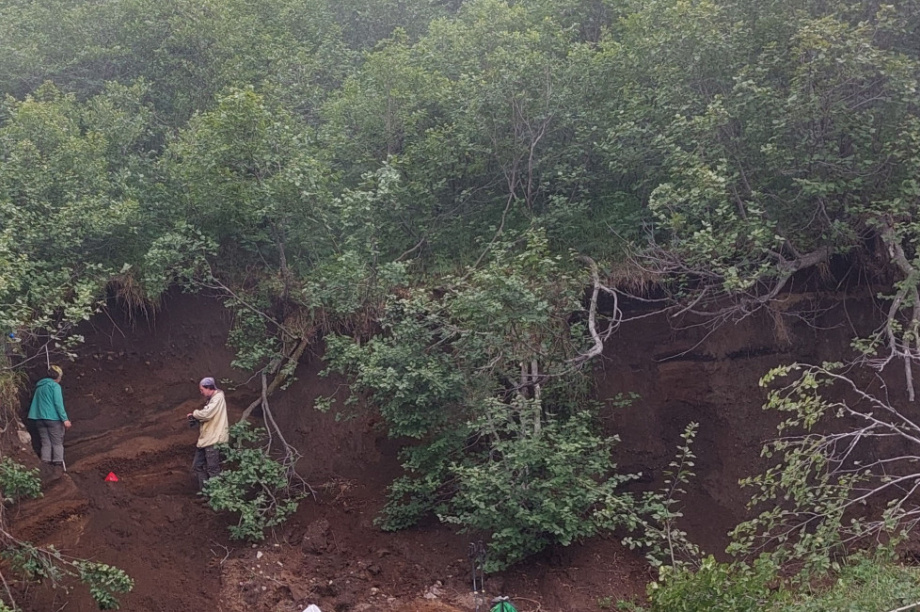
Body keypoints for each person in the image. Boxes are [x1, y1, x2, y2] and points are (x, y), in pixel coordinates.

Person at [187, 376, 229, 491]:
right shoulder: (213, 399)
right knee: (198, 466)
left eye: (202, 390)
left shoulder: (218, 398)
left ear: (208, 388)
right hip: (206, 440)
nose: (201, 393)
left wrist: (195, 414)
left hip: (214, 440)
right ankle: (206, 494)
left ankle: (217, 498)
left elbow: (207, 414)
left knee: (213, 469)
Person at [27, 365, 72, 468]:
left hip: (39, 419)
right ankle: (58, 465)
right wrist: (65, 419)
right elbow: (58, 403)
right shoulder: (55, 386)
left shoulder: (39, 386)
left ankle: (45, 464)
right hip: (53, 419)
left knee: (46, 443)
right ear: (58, 376)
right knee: (57, 443)